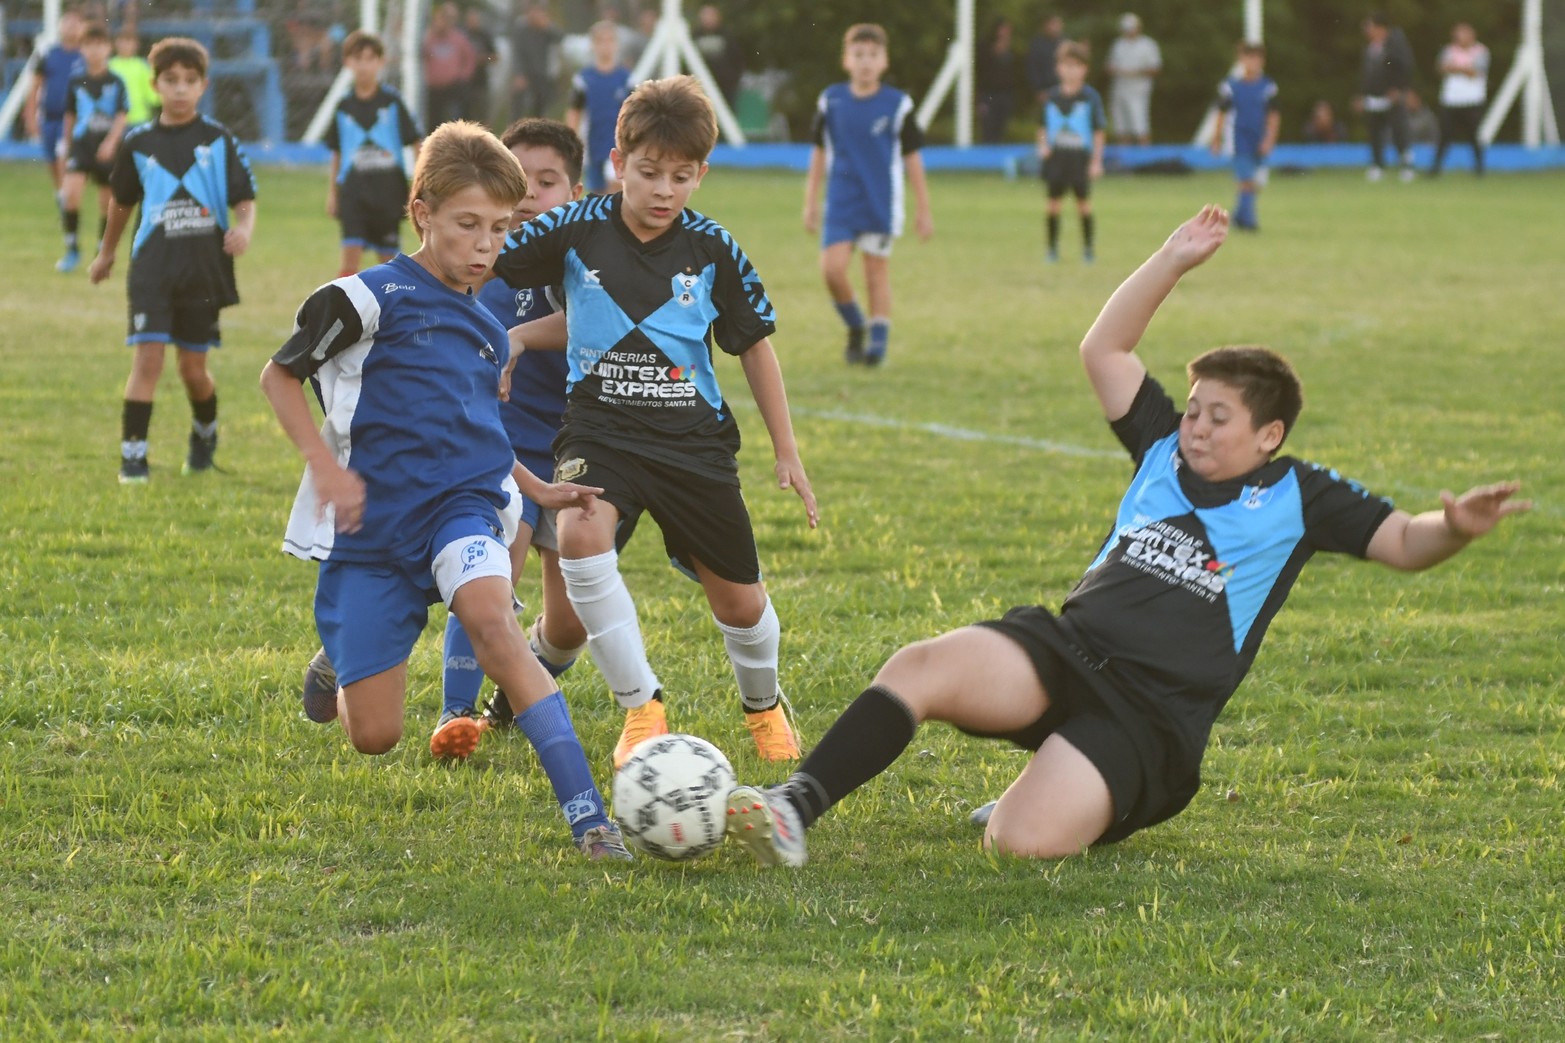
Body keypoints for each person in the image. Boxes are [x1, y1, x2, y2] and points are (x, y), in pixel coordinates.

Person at [724, 204, 1530, 869]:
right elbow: (1102, 348)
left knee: (1019, 840)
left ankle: (1057, 793)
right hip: (1066, 650)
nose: (1196, 427)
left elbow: (1401, 541)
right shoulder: (1158, 444)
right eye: (1193, 408)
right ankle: (796, 806)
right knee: (922, 665)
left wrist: (1451, 527)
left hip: (1149, 716)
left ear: (1269, 433)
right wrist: (1170, 260)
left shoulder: (1299, 495)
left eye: (1219, 417)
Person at [261, 121, 632, 862]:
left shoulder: (492, 330)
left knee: (495, 625)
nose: (486, 244)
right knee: (374, 735)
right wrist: (323, 466)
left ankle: (590, 819)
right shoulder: (363, 298)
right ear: (421, 212)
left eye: (499, 227)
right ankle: (343, 651)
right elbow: (279, 376)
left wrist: (538, 491)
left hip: (463, 509)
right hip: (373, 533)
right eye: (468, 224)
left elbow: (480, 437)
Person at [491, 74, 819, 771]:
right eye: (648, 173)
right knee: (580, 530)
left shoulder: (712, 248)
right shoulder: (575, 225)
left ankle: (762, 705)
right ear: (618, 162)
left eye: (680, 176)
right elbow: (489, 257)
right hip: (599, 433)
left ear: (701, 173)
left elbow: (754, 346)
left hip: (692, 443)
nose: (663, 190)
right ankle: (641, 705)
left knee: (740, 603)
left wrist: (785, 450)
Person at [429, 116, 591, 757]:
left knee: (572, 621)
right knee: (493, 576)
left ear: (574, 195)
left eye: (546, 183)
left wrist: (517, 339)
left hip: (580, 447)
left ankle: (507, 701)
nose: (527, 198)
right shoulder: (478, 254)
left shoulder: (586, 257)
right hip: (504, 442)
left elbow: (588, 321)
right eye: (517, 182)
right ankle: (455, 713)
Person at [88, 37, 258, 484]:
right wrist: (106, 253)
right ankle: (133, 459)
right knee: (147, 361)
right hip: (152, 267)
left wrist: (243, 229)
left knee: (193, 369)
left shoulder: (218, 140)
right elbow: (121, 204)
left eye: (189, 81)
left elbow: (245, 199)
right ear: (155, 84)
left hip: (202, 270)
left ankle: (204, 437)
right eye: (170, 80)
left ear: (203, 85)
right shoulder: (138, 142)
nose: (180, 89)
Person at [803, 23, 934, 367]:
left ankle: (877, 345)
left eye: (872, 55)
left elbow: (913, 158)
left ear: (884, 61)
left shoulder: (897, 105)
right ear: (846, 60)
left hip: (880, 203)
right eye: (858, 55)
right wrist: (810, 201)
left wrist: (923, 208)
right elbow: (819, 152)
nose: (865, 62)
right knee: (832, 269)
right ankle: (855, 324)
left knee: (876, 273)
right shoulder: (831, 100)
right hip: (842, 203)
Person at [325, 30, 423, 279]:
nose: (364, 65)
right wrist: (333, 192)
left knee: (389, 261)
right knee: (350, 256)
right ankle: (344, 312)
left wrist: (421, 182)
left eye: (370, 58)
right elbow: (337, 152)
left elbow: (415, 142)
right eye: (358, 58)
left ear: (381, 62)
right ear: (348, 62)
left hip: (387, 190)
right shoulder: (343, 107)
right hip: (354, 191)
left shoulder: (391, 102)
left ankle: (392, 311)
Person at [56, 22, 127, 274]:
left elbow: (121, 115)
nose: (95, 50)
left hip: (106, 147)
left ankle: (102, 248)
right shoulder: (77, 80)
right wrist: (66, 145)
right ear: (82, 49)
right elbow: (70, 115)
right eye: (89, 45)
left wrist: (111, 142)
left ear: (108, 48)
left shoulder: (115, 81)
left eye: (100, 45)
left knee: (106, 200)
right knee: (70, 194)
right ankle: (72, 248)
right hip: (82, 146)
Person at [1037, 41, 1105, 264]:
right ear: (1058, 68)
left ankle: (1087, 249)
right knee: (1053, 204)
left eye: (1076, 65)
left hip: (1079, 157)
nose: (1071, 70)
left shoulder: (1090, 98)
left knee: (1083, 203)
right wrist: (1043, 145)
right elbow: (1042, 126)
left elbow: (1098, 131)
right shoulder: (1052, 97)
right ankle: (1052, 249)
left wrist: (1096, 160)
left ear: (1084, 69)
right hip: (1057, 157)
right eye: (1066, 65)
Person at [23, 8, 85, 217]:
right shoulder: (49, 54)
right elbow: (35, 88)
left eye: (76, 23)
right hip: (49, 117)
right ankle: (61, 194)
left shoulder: (85, 56)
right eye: (67, 22)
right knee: (51, 159)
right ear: (60, 26)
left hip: (72, 118)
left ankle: (68, 198)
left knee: (62, 155)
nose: (71, 27)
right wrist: (30, 116)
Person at [1210, 42, 1279, 233]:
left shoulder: (1268, 86)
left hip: (1259, 139)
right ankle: (1249, 222)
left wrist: (1269, 139)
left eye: (1257, 58)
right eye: (1249, 58)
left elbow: (1274, 115)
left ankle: (1239, 216)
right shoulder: (1230, 86)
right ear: (1241, 60)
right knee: (1246, 180)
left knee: (1256, 182)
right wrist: (1216, 139)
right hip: (1237, 139)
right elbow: (1221, 113)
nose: (1253, 62)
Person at [565, 20, 632, 194]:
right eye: (601, 41)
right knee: (596, 195)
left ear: (616, 44)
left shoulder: (625, 79)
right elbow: (574, 111)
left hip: (618, 144)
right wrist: (571, 141)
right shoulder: (584, 79)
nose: (606, 46)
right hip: (593, 145)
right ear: (593, 45)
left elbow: (635, 112)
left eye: (610, 40)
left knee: (616, 189)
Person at [1356, 12, 1416, 182]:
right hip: (1373, 97)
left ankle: (1406, 166)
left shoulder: (1396, 45)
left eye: (1369, 27)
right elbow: (1366, 74)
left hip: (1392, 96)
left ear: (1380, 27)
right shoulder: (1370, 48)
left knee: (1399, 132)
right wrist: (1362, 94)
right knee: (1374, 132)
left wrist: (1400, 89)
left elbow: (1406, 68)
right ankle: (1377, 165)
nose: (1366, 31)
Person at [1431, 23, 1489, 177]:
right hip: (1450, 100)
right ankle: (1435, 169)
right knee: (1444, 135)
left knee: (1474, 136)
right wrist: (1463, 69)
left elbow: (1475, 72)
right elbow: (1441, 68)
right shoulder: (1449, 50)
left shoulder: (1481, 51)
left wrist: (1455, 68)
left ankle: (1479, 169)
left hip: (1472, 100)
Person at [1105, 13, 1160, 145]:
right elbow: (1109, 65)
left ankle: (1144, 156)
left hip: (1138, 90)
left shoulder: (1148, 45)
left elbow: (1155, 68)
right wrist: (1112, 69)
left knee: (1140, 123)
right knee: (1121, 125)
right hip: (1119, 89)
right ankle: (1124, 161)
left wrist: (1134, 72)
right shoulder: (1118, 44)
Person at [422, 2, 477, 127]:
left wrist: (464, 76)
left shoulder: (458, 38)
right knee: (434, 121)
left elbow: (470, 57)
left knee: (455, 119)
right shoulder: (428, 38)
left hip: (453, 86)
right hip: (434, 88)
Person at [510, 2, 564, 119]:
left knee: (541, 107)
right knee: (518, 106)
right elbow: (517, 52)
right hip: (525, 72)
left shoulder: (545, 27)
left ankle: (538, 132)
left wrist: (548, 26)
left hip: (542, 73)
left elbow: (560, 37)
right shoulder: (521, 27)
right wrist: (519, 73)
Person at [975, 18, 1018, 144]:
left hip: (1005, 94)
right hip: (988, 94)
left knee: (1001, 127)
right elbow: (981, 71)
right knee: (988, 127)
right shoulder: (985, 47)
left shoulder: (1011, 50)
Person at [691, 4, 743, 104]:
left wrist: (732, 80)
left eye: (711, 16)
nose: (708, 19)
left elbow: (737, 59)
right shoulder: (694, 37)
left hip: (725, 88)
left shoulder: (727, 36)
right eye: (705, 16)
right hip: (700, 87)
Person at [108, 26, 157, 126]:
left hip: (140, 119)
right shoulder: (109, 65)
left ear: (136, 45)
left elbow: (152, 95)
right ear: (115, 43)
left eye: (129, 41)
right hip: (113, 121)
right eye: (122, 41)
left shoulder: (142, 66)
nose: (125, 45)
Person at [462, 5, 499, 123]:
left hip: (481, 82)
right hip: (464, 83)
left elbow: (495, 57)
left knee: (482, 116)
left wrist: (483, 58)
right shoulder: (462, 35)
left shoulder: (484, 36)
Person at [1025, 14, 1066, 108]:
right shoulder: (1037, 45)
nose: (1056, 27)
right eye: (1053, 24)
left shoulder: (1064, 43)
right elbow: (1032, 69)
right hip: (1045, 90)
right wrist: (1038, 90)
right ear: (1046, 25)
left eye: (1058, 24)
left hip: (1063, 88)